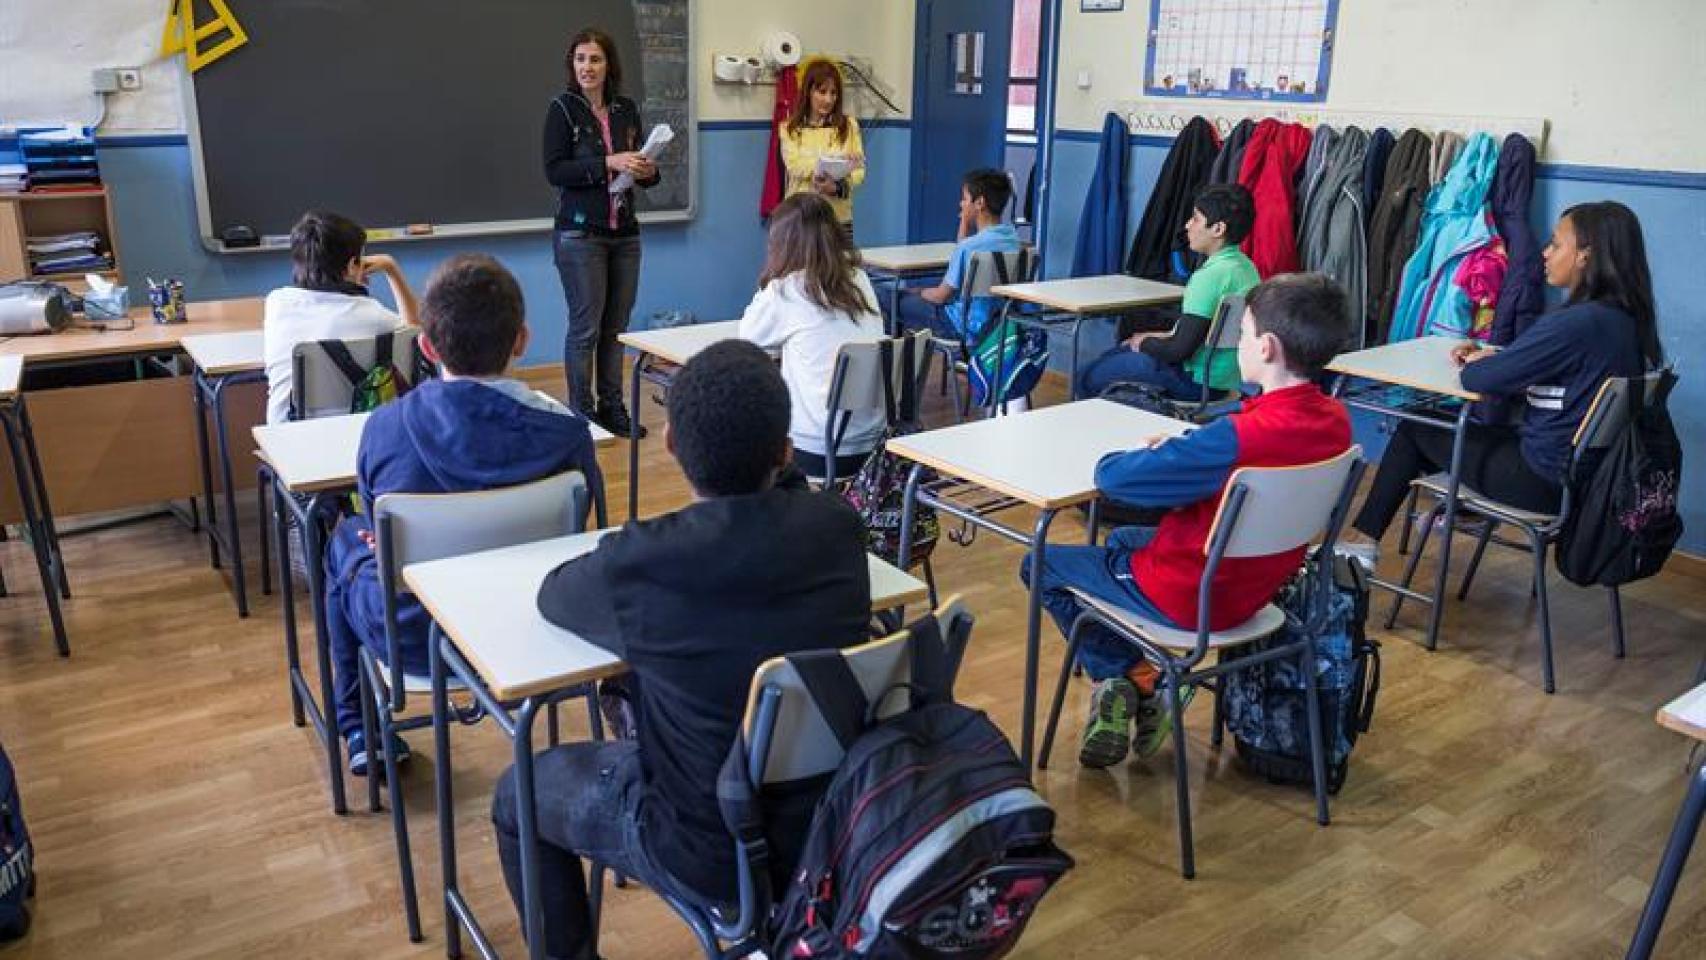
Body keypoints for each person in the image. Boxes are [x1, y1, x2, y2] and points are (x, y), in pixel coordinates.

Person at [494, 340, 871, 960]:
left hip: (705, 850)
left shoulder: (644, 561)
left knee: (518, 791)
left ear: (668, 443)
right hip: (832, 826)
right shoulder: (838, 528)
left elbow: (553, 596)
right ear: (785, 450)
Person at [1024, 273, 1353, 768]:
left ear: (1265, 347)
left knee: (1040, 561)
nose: (1238, 343)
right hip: (1257, 590)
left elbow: (1114, 480)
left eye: (1241, 334)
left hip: (1190, 593)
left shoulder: (1236, 440)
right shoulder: (1336, 422)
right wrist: (1193, 450)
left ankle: (1130, 674)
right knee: (1130, 540)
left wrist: (1165, 452)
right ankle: (1139, 677)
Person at [322, 254, 603, 775]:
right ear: (522, 340)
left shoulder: (385, 428)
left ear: (426, 347)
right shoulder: (567, 433)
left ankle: (360, 727)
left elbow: (373, 517)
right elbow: (579, 529)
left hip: (411, 636)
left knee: (344, 541)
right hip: (533, 624)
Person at [1343, 201, 1662, 566]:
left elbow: (1477, 378)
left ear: (1585, 257)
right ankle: (1458, 508)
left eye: (1556, 244)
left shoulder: (1575, 324)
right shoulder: (1626, 323)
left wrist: (1488, 362)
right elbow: (1556, 378)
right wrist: (1503, 361)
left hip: (1540, 480)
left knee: (1416, 427)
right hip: (1586, 483)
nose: (1545, 252)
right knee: (1472, 425)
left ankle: (1361, 544)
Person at [544, 26, 660, 438]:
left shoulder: (626, 108)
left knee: (617, 327)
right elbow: (555, 170)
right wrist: (609, 162)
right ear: (572, 66)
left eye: (595, 59)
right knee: (586, 328)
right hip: (580, 236)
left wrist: (647, 170)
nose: (587, 67)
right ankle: (582, 415)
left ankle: (614, 408)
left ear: (608, 65)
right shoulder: (562, 109)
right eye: (580, 60)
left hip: (625, 233)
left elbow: (641, 167)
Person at [737, 193, 886, 480]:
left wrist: (772, 279)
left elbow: (748, 339)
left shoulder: (787, 289)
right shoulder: (859, 279)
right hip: (872, 444)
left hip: (816, 449)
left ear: (782, 244)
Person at [1077, 183, 1260, 401]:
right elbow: (1198, 333)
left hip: (1195, 382)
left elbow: (1178, 351)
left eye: (1196, 219)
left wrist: (1143, 343)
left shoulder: (1211, 276)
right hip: (1227, 379)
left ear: (1218, 229)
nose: (1187, 225)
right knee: (1116, 355)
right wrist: (1151, 337)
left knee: (1086, 377)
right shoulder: (1247, 270)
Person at [262, 210, 418, 425]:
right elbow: (417, 334)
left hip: (286, 440)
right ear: (353, 264)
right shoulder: (374, 316)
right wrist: (392, 269)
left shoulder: (276, 303)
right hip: (354, 436)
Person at [892, 168, 1024, 342]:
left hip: (958, 326)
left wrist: (920, 291)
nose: (962, 204)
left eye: (965, 198)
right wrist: (964, 221)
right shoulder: (1013, 240)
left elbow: (941, 296)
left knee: (889, 299)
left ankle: (894, 361)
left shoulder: (969, 247)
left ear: (980, 203)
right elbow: (964, 247)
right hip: (996, 327)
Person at [781, 58, 865, 238]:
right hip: (802, 217)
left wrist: (835, 187)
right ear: (808, 91)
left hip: (838, 217)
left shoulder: (849, 126)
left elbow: (858, 172)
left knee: (840, 265)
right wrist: (832, 164)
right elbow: (795, 166)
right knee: (802, 266)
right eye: (822, 92)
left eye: (834, 93)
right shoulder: (790, 128)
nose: (828, 99)